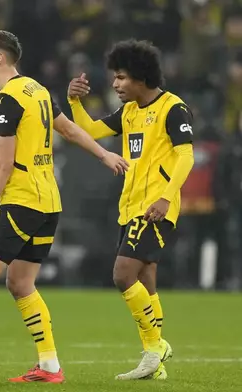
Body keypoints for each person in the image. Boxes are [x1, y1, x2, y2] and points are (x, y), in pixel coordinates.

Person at [0, 30, 128, 384]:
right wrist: (104, 153)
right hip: (49, 203)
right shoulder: (38, 91)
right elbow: (69, 130)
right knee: (20, 283)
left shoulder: (5, 101)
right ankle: (49, 367)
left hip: (22, 201)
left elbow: (3, 165)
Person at [67, 39, 194, 380]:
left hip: (155, 207)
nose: (115, 84)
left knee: (122, 274)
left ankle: (155, 347)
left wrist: (166, 197)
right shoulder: (130, 112)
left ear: (140, 77)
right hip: (130, 207)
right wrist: (74, 102)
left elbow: (186, 156)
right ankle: (155, 362)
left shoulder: (173, 108)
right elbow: (91, 130)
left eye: (121, 77)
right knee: (146, 281)